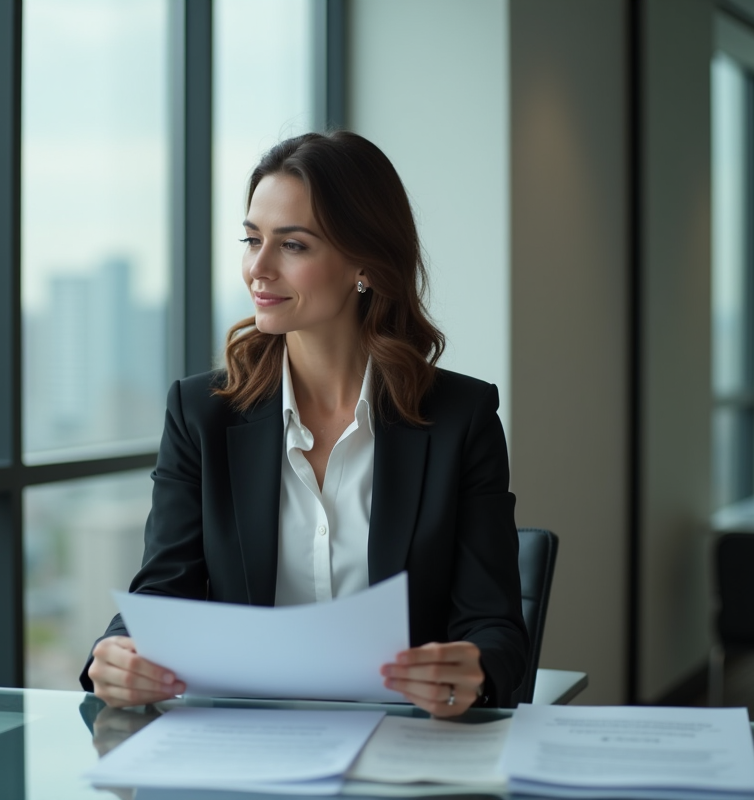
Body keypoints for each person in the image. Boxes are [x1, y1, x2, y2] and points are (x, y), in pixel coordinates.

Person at [81, 131, 528, 716]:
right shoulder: (201, 414)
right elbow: (164, 592)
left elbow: (495, 629)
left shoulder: (459, 419)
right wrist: (115, 655)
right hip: (245, 747)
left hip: (406, 743)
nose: (257, 269)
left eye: (292, 246)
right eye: (251, 240)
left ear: (364, 264)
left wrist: (471, 672)